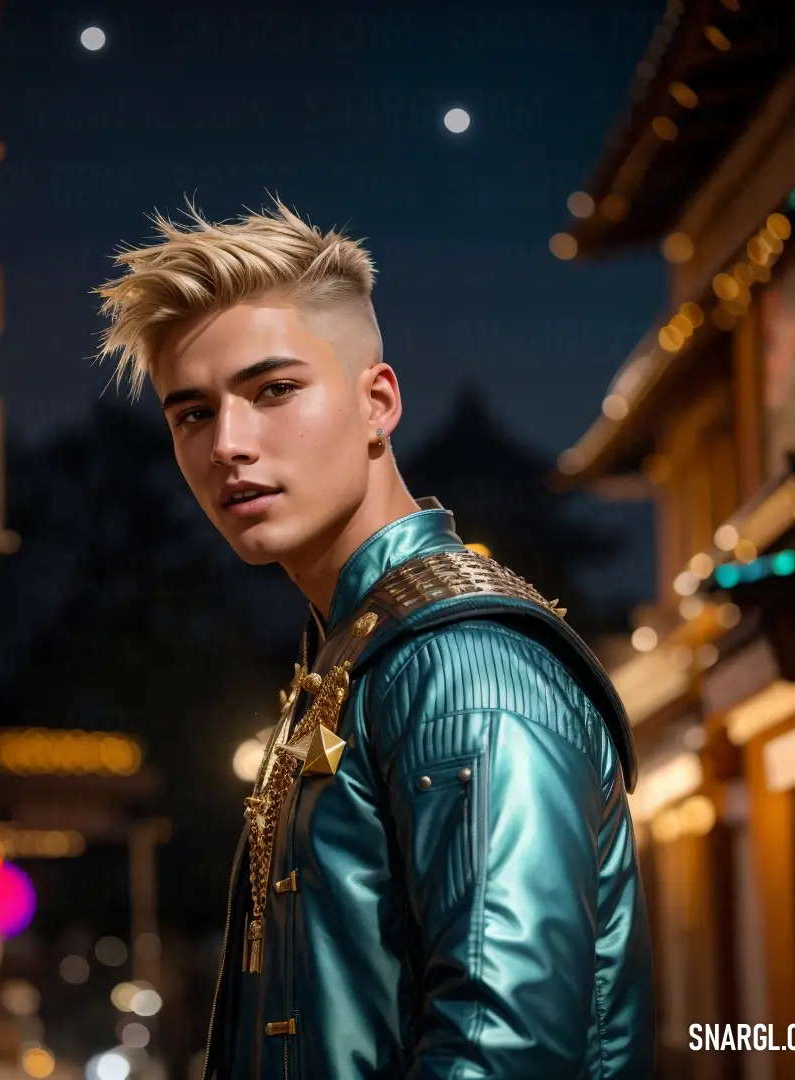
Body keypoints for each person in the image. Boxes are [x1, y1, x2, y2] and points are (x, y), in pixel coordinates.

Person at [96, 201, 655, 1079]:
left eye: (273, 390)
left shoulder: (463, 666)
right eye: (192, 414)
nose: (229, 445)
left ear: (377, 403)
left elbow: (502, 1050)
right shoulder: (361, 653)